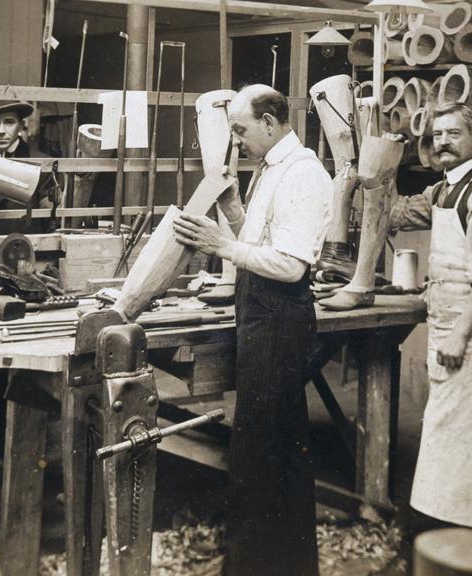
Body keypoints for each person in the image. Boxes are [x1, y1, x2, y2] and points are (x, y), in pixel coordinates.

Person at [173, 84, 332, 576]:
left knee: (266, 450)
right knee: (263, 448)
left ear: (270, 122)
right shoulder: (271, 169)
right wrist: (235, 210)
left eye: (240, 130)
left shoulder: (305, 174)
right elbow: (260, 240)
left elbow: (289, 266)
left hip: (281, 322)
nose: (236, 140)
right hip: (260, 316)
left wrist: (222, 245)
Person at [378, 102, 472, 573]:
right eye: (436, 135)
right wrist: (373, 168)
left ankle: (432, 550)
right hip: (448, 329)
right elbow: (392, 213)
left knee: (452, 440)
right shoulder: (443, 191)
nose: (442, 142)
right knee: (463, 441)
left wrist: (457, 336)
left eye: (454, 133)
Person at [0, 99, 56, 235]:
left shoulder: (42, 163)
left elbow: (49, 218)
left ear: (21, 125)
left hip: (25, 248)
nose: (1, 131)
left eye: (9, 122)